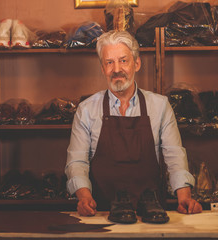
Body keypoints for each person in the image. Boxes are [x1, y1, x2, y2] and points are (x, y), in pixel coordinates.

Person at [65, 30, 202, 218]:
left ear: (136, 63)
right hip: (102, 211)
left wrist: (184, 196)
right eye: (109, 62)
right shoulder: (86, 110)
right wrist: (84, 197)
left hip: (153, 213)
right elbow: (77, 161)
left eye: (123, 60)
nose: (116, 69)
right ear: (102, 68)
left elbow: (174, 154)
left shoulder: (160, 106)